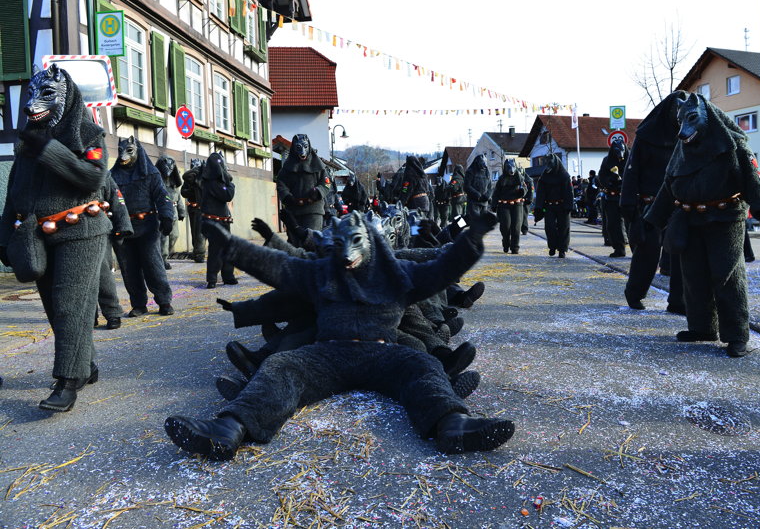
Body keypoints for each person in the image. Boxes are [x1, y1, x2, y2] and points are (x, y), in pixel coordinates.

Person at [164, 210, 514, 461]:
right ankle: (227, 430)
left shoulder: (399, 272)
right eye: (341, 246)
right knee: (281, 366)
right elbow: (277, 265)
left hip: (385, 354)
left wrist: (471, 240)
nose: (347, 255)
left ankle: (453, 424)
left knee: (424, 366)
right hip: (328, 355)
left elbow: (442, 268)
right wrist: (233, 247)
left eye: (356, 244)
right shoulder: (320, 271)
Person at [0, 65, 110, 411]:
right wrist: (4, 236)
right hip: (38, 236)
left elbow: (91, 178)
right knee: (56, 309)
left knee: (70, 305)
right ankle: (85, 363)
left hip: (82, 230)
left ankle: (67, 381)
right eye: (31, 94)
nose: (34, 103)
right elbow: (14, 189)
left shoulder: (89, 134)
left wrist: (49, 149)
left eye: (46, 95)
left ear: (67, 98)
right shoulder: (28, 140)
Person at [645, 92, 760, 357]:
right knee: (693, 277)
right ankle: (702, 327)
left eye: (692, 120)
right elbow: (669, 184)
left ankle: (737, 334)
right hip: (689, 218)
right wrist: (654, 216)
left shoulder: (733, 144)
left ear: (706, 116)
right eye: (681, 122)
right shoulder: (682, 150)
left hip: (725, 219)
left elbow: (753, 175)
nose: (684, 130)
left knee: (727, 275)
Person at [621, 91, 686, 311]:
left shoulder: (687, 135)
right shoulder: (647, 135)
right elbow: (632, 171)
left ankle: (678, 301)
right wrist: (628, 204)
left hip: (678, 205)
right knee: (647, 254)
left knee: (680, 254)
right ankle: (634, 294)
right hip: (650, 204)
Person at [110, 136, 176, 317]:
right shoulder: (112, 176)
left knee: (153, 265)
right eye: (121, 151)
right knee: (129, 269)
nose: (124, 155)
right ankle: (138, 304)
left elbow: (163, 197)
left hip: (147, 227)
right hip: (123, 229)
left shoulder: (151, 174)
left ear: (137, 151)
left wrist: (167, 217)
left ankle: (164, 301)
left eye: (129, 151)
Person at [277, 134, 330, 244]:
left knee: (313, 242)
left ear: (309, 147)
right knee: (294, 243)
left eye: (305, 147)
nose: (302, 151)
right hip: (293, 211)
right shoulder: (287, 166)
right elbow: (281, 183)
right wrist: (287, 197)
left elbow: (326, 184)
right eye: (298, 148)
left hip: (313, 211)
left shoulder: (319, 165)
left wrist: (318, 192)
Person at [96, 174, 133, 330]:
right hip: (68, 231)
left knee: (103, 273)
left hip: (98, 230)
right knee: (79, 279)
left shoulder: (102, 173)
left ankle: (112, 313)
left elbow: (117, 199)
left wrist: (123, 225)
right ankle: (87, 316)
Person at [200, 152, 237, 289]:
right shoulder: (213, 182)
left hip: (220, 221)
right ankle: (212, 279)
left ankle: (227, 276)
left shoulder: (211, 181)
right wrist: (231, 184)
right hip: (215, 222)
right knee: (216, 250)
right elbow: (227, 195)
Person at [533, 153, 572, 257]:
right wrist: (539, 207)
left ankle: (562, 249)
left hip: (562, 206)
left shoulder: (564, 176)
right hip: (549, 206)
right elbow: (541, 193)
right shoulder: (544, 177)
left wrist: (569, 206)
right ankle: (552, 246)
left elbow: (569, 192)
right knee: (549, 228)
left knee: (563, 228)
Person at [598, 139, 630, 257]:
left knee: (631, 224)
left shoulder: (631, 160)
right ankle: (619, 248)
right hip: (611, 198)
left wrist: (623, 183)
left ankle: (636, 249)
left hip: (627, 197)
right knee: (613, 225)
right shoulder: (607, 161)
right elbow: (601, 177)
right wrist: (611, 181)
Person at [156, 156, 185, 270]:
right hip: (162, 213)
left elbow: (178, 199)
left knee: (174, 236)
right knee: (164, 238)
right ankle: (163, 259)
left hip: (173, 213)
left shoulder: (174, 184)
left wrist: (181, 212)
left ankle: (165, 255)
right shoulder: (157, 181)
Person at [491, 159, 526, 254]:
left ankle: (515, 247)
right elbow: (496, 193)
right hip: (504, 205)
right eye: (509, 168)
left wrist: (523, 191)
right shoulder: (501, 179)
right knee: (505, 226)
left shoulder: (519, 177)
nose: (511, 170)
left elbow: (525, 188)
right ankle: (506, 243)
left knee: (516, 227)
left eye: (513, 167)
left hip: (517, 205)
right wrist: (494, 204)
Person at [180, 159, 206, 263]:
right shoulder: (189, 180)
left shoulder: (204, 180)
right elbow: (183, 192)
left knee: (201, 233)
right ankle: (197, 252)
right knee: (195, 232)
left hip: (203, 209)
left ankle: (200, 253)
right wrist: (192, 191)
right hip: (193, 209)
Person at [463, 155, 492, 224]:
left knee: (483, 223)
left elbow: (489, 187)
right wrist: (476, 194)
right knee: (475, 222)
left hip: (484, 202)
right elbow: (466, 186)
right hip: (473, 202)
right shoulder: (470, 172)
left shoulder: (486, 172)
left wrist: (488, 195)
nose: (483, 167)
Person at [520, 165, 534, 235]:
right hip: (518, 200)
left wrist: (529, 199)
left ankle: (524, 229)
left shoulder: (529, 180)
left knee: (524, 215)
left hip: (526, 200)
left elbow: (531, 191)